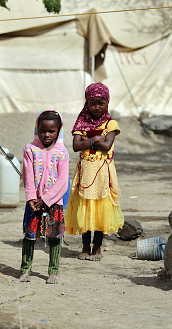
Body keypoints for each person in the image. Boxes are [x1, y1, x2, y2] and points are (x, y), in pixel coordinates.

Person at [66, 83, 124, 261]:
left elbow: (107, 146)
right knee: (86, 208)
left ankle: (97, 247)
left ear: (107, 102)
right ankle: (85, 246)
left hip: (102, 173)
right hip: (86, 172)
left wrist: (88, 140)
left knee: (101, 209)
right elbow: (76, 146)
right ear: (87, 103)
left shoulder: (111, 123)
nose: (97, 107)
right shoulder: (81, 121)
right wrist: (96, 139)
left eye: (101, 103)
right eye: (92, 103)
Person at [20, 110, 69, 284]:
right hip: (34, 203)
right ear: (37, 128)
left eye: (51, 131)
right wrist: (32, 198)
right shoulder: (30, 150)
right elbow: (27, 176)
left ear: (58, 130)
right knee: (30, 235)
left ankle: (53, 271)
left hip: (54, 203)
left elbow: (63, 181)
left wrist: (47, 200)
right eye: (43, 130)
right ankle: (26, 270)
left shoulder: (62, 153)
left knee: (55, 237)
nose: (46, 134)